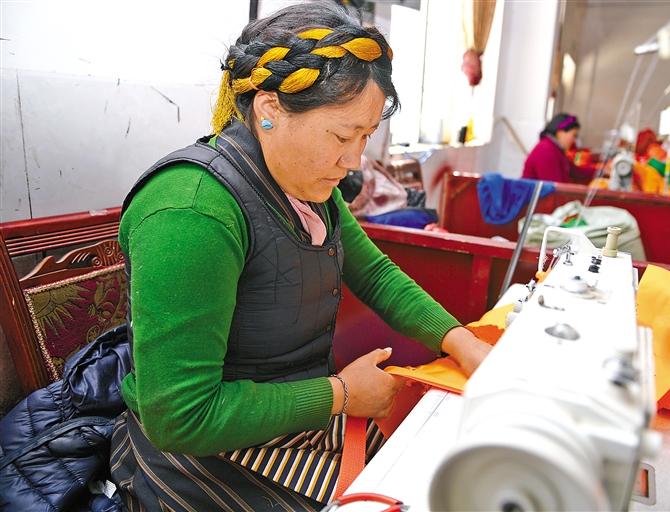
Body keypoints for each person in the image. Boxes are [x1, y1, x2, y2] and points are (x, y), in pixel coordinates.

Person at [109, 3, 491, 511]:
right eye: (341, 135)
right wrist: (341, 394)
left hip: (291, 419)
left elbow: (375, 274)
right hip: (201, 453)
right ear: (269, 109)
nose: (353, 161)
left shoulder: (307, 186)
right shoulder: (192, 211)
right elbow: (181, 417)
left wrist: (464, 343)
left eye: (365, 137)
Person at [522, 113, 595, 183]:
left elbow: (576, 172)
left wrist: (599, 172)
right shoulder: (546, 150)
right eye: (574, 135)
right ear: (560, 132)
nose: (574, 140)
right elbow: (555, 187)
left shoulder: (555, 149)